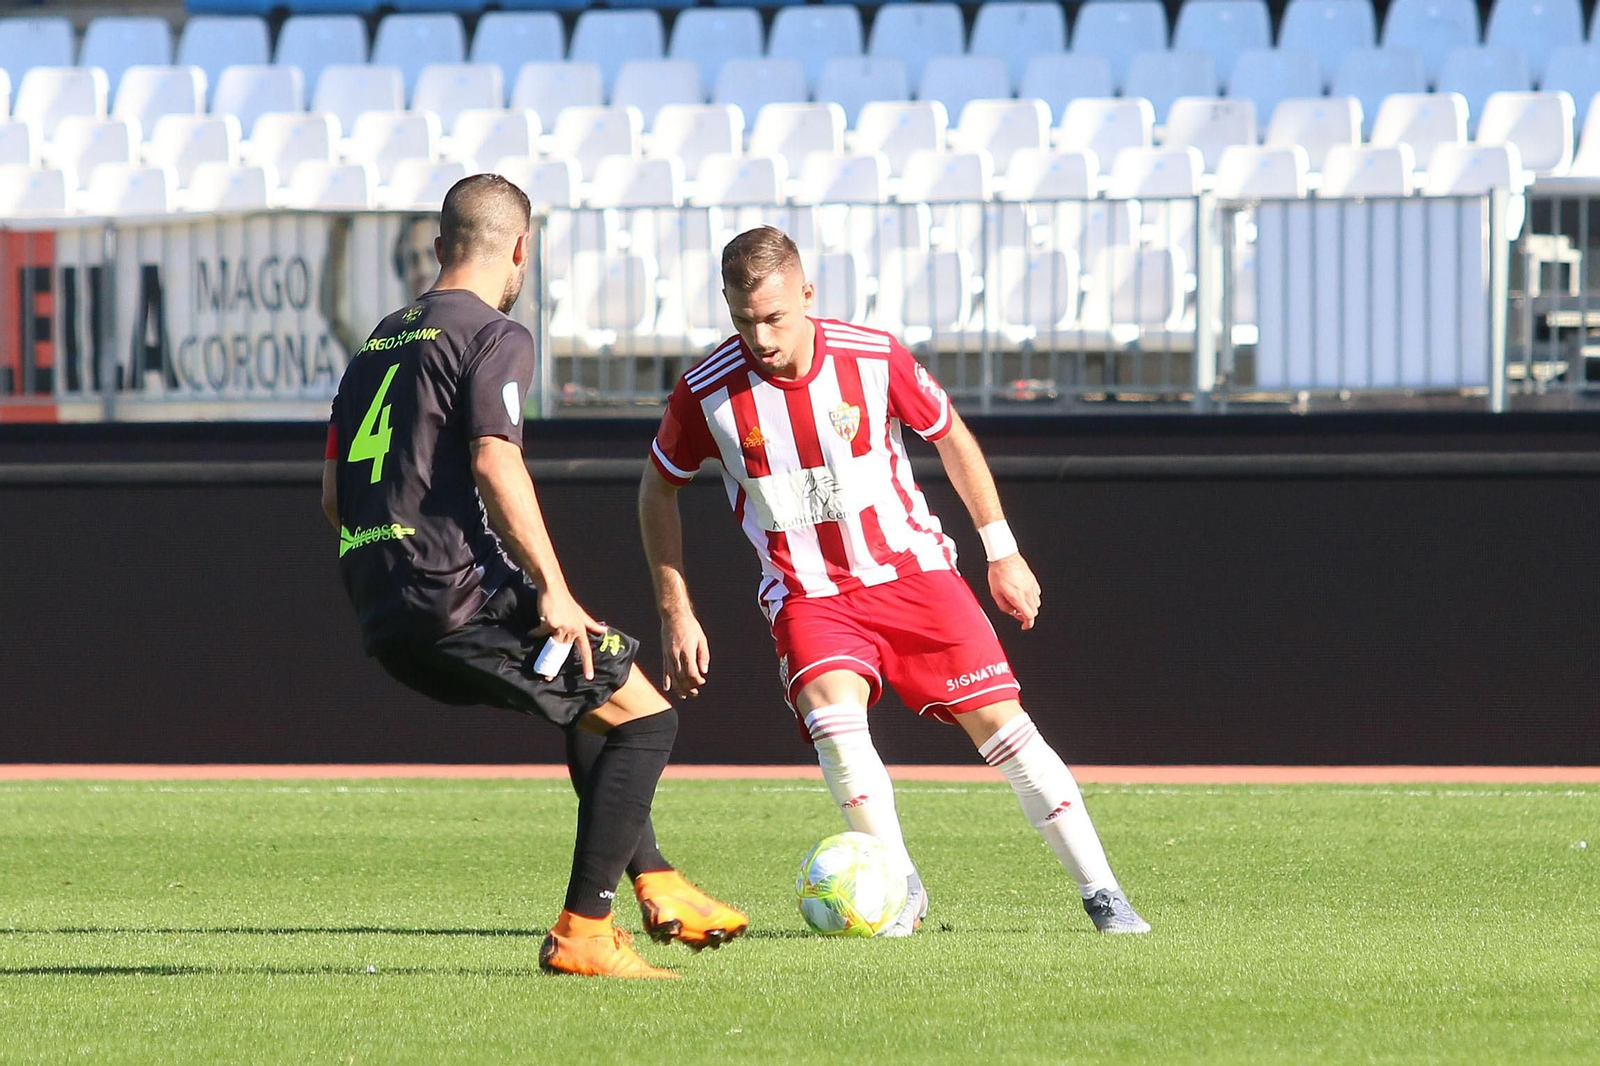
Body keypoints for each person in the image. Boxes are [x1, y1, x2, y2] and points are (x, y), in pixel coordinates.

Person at [638, 226, 1150, 936]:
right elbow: (655, 489)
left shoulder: (872, 357)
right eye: (743, 318)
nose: (760, 336)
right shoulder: (706, 392)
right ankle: (899, 890)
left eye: (775, 317)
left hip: (915, 575)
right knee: (836, 729)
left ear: (807, 295)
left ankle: (1105, 896)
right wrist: (676, 609)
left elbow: (950, 436)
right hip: (809, 594)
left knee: (1005, 731)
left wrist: (1001, 551)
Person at [321, 175, 747, 979]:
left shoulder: (373, 345)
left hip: (381, 603)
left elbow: (333, 495)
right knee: (647, 720)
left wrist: (387, 567)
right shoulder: (493, 334)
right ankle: (585, 934)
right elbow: (493, 458)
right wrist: (550, 585)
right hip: (455, 591)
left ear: (441, 246)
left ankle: (655, 879)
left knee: (595, 692)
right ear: (521, 249)